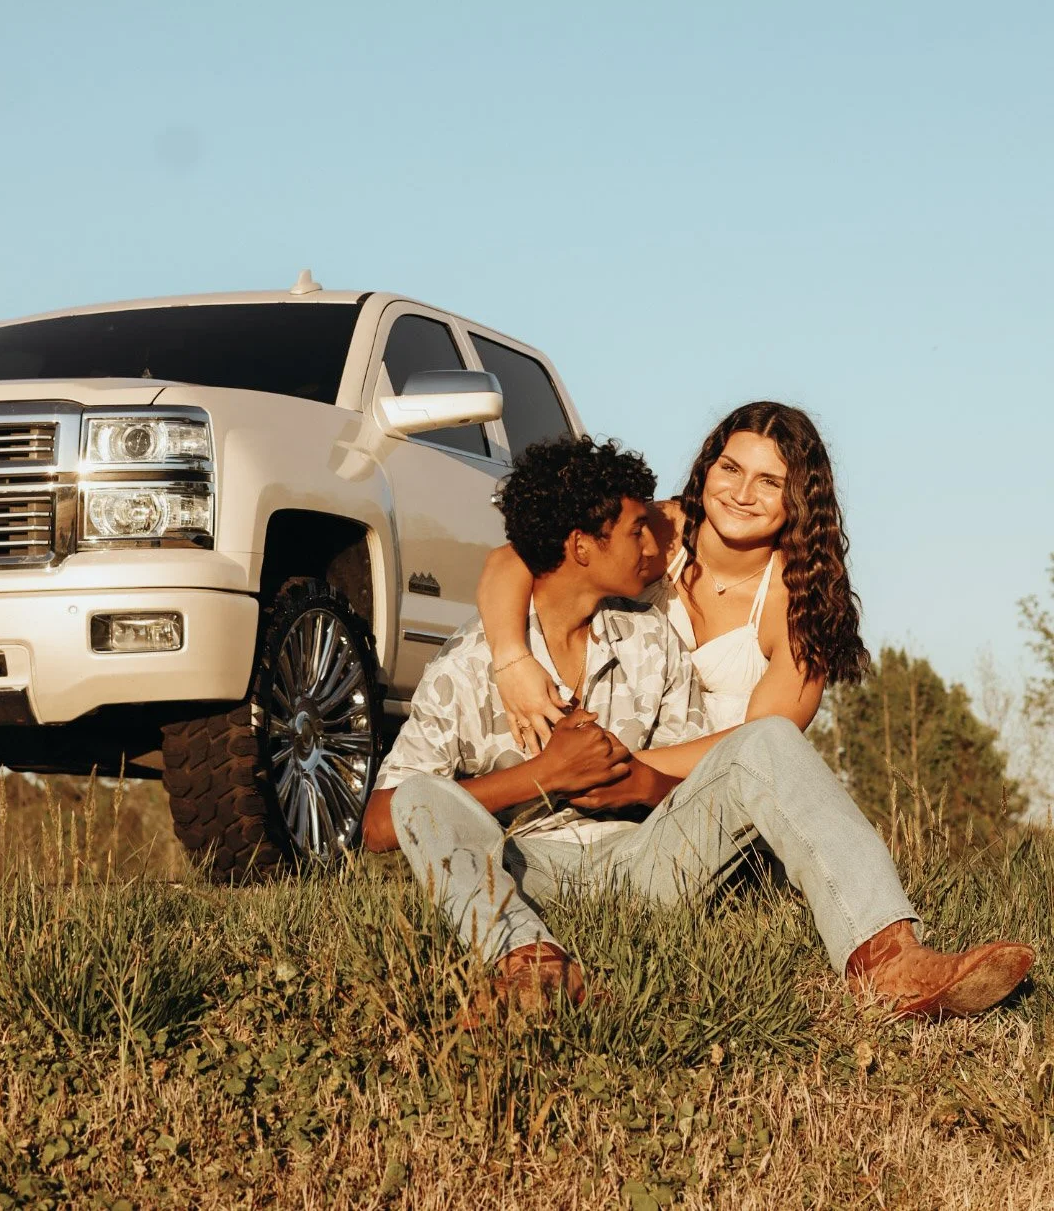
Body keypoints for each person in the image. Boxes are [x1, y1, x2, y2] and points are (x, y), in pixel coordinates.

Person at [362, 436, 1034, 1019]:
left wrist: (631, 782)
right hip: (524, 867)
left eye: (770, 481)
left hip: (643, 860)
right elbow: (381, 825)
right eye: (636, 532)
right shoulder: (469, 662)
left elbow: (683, 789)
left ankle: (889, 960)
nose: (657, 542)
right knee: (422, 796)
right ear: (582, 549)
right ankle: (532, 967)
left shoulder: (649, 639)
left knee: (768, 738)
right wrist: (540, 778)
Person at [477, 401, 866, 753]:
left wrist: (623, 770)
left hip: (707, 791)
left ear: (801, 496)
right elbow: (512, 560)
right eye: (731, 469)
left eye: (769, 481)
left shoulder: (802, 595)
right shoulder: (659, 531)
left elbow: (763, 743)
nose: (742, 494)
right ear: (707, 467)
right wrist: (512, 661)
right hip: (586, 766)